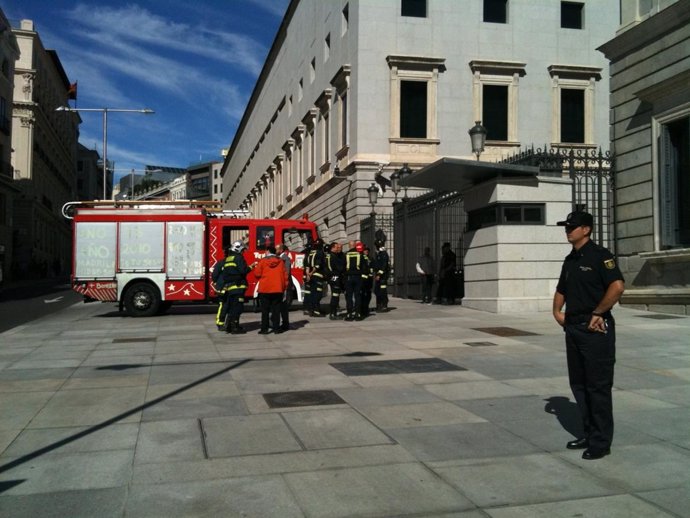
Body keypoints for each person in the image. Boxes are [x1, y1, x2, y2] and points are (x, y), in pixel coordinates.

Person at [552, 211, 624, 460]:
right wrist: (556, 312)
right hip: (573, 327)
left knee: (598, 387)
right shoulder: (570, 260)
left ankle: (601, 442)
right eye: (566, 227)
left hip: (595, 330)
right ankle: (588, 433)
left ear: (586, 229)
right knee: (579, 385)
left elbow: (617, 287)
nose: (568, 230)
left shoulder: (601, 257)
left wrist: (599, 312)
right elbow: (562, 288)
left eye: (572, 227)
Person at [212, 241, 250, 334]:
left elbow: (214, 275)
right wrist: (250, 268)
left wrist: (217, 283)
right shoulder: (236, 259)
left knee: (226, 306)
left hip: (226, 287)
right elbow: (243, 271)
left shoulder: (224, 261)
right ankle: (225, 324)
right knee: (231, 306)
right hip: (231, 287)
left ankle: (224, 324)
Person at [254, 245, 288, 334]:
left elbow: (257, 274)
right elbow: (285, 276)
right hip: (277, 289)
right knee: (276, 310)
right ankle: (276, 329)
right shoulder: (281, 261)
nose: (265, 252)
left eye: (265, 251)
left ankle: (264, 329)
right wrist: (284, 287)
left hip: (265, 289)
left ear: (268, 251)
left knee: (265, 310)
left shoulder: (262, 261)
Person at [344, 241, 367, 321]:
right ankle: (358, 314)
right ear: (355, 246)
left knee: (349, 296)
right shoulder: (360, 255)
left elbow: (342, 267)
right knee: (358, 296)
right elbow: (364, 267)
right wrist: (363, 278)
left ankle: (349, 314)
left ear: (349, 246)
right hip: (358, 277)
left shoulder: (345, 255)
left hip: (348, 277)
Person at [305, 238, 326, 317]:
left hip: (311, 277)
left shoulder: (310, 253)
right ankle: (316, 311)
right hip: (317, 276)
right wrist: (311, 273)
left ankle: (311, 310)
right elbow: (317, 265)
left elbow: (307, 266)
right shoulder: (320, 253)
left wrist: (308, 275)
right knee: (318, 294)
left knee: (312, 293)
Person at [325, 241, 345, 320]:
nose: (338, 249)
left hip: (334, 277)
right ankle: (333, 314)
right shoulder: (331, 256)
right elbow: (331, 268)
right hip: (334, 277)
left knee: (335, 296)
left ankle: (334, 312)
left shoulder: (333, 255)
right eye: (336, 247)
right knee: (335, 296)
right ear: (332, 247)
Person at [276, 243, 292, 331]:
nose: (275, 251)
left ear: (281, 250)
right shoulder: (280, 258)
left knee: (284, 305)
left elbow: (287, 272)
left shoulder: (285, 258)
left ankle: (285, 324)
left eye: (277, 249)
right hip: (280, 284)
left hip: (284, 285)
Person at [373, 239, 390, 312]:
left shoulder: (383, 253)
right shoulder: (379, 253)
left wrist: (379, 274)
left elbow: (384, 266)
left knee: (383, 291)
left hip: (383, 276)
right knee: (377, 291)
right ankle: (379, 305)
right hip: (379, 276)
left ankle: (384, 305)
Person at [360, 245, 374, 318]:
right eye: (365, 250)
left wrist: (371, 271)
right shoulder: (361, 257)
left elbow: (373, 266)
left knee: (368, 294)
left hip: (369, 279)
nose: (366, 251)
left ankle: (366, 307)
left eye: (367, 250)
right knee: (362, 294)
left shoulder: (370, 258)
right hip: (362, 279)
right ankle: (362, 308)